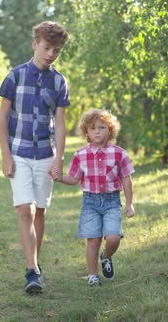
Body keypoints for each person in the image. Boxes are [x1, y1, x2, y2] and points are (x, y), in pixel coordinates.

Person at [0, 21, 69, 294]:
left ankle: (35, 265)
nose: (51, 54)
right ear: (35, 44)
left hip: (45, 155)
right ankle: (32, 270)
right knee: (24, 209)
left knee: (40, 210)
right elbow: (2, 117)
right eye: (47, 47)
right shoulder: (15, 76)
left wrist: (59, 159)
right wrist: (6, 154)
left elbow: (60, 124)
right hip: (19, 152)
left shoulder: (59, 81)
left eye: (56, 50)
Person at [52, 109, 135, 287]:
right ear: (86, 132)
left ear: (110, 130)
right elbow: (74, 179)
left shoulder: (120, 153)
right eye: (92, 128)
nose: (97, 131)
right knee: (93, 239)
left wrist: (129, 203)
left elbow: (126, 179)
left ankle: (106, 256)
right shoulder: (80, 155)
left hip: (112, 201)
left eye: (102, 127)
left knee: (113, 237)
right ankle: (93, 275)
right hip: (90, 202)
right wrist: (59, 178)